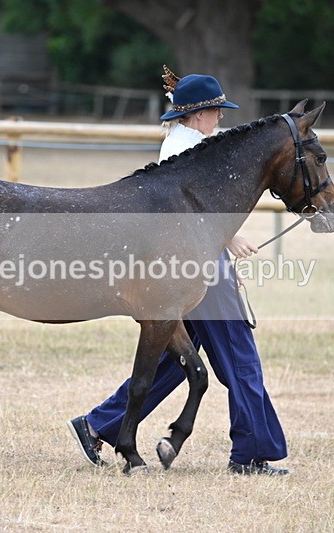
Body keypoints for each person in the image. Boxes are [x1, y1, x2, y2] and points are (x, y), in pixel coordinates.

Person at [67, 67, 289, 476]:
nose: (221, 118)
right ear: (200, 114)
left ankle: (98, 424)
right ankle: (251, 454)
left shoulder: (187, 144)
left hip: (199, 264)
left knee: (174, 362)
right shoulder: (183, 151)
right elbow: (186, 215)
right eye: (217, 111)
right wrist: (228, 243)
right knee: (240, 359)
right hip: (196, 265)